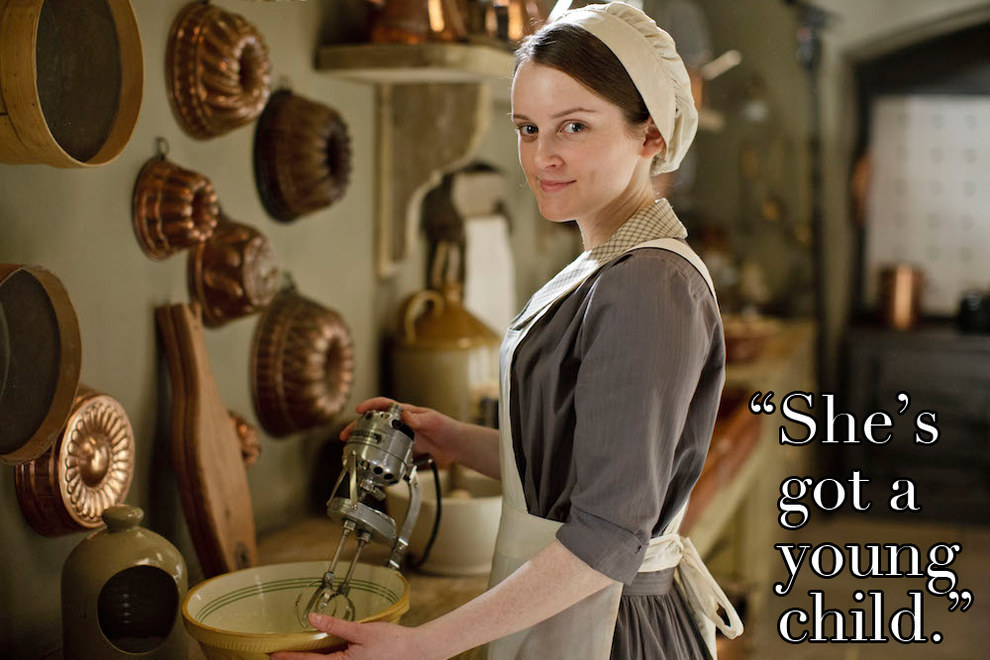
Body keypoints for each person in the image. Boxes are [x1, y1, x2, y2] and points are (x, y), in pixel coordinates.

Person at [272, 3, 743, 659]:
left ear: (651, 135)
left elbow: (606, 537)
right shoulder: (606, 265)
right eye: (528, 128)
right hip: (568, 613)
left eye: (574, 126)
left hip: (612, 629)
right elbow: (583, 468)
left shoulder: (648, 287)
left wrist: (424, 645)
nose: (543, 157)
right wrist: (458, 441)